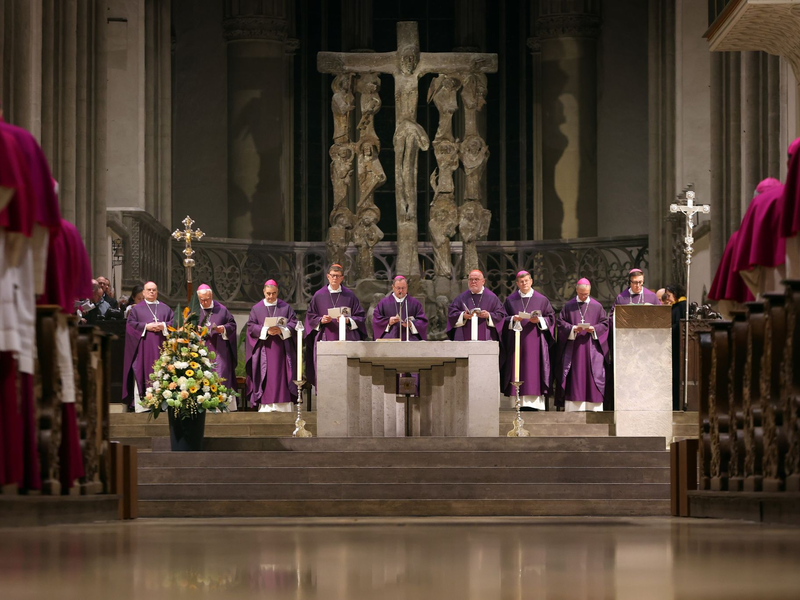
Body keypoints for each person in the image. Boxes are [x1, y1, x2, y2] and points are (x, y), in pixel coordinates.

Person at [304, 264, 366, 388]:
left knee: (346, 375)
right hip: (325, 337)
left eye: (337, 276)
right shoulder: (319, 295)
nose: (334, 278)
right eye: (332, 275)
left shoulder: (349, 295)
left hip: (346, 338)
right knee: (327, 372)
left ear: (342, 278)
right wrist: (321, 320)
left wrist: (348, 320)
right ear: (328, 276)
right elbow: (310, 316)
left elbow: (360, 317)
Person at [501, 270, 555, 411]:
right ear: (517, 283)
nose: (524, 283)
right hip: (517, 343)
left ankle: (534, 403)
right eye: (521, 281)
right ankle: (518, 403)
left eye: (526, 281)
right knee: (518, 369)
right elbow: (502, 318)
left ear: (531, 281)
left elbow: (551, 318)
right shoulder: (510, 300)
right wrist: (513, 319)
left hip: (535, 342)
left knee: (534, 370)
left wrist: (540, 320)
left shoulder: (542, 300)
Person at [555, 279, 610, 412]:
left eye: (586, 294)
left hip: (592, 349)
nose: (584, 296)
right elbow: (560, 323)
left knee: (593, 375)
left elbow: (605, 324)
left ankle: (594, 407)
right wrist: (573, 329)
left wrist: (594, 329)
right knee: (575, 376)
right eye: (581, 294)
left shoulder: (597, 306)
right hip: (574, 350)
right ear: (577, 291)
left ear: (590, 291)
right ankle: (574, 408)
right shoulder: (569, 306)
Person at [245, 280, 298, 412]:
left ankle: (283, 407)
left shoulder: (285, 308)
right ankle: (266, 407)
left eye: (273, 293)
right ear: (264, 292)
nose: (270, 296)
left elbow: (294, 323)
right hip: (265, 350)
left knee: (282, 376)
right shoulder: (257, 309)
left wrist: (281, 330)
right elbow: (251, 326)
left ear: (277, 292)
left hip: (282, 350)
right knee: (267, 376)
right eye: (268, 293)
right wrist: (266, 331)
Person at [121, 281, 173, 412]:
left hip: (162, 349)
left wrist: (163, 326)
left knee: (163, 373)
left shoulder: (165, 308)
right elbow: (130, 325)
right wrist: (146, 326)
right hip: (144, 350)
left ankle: (164, 403)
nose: (151, 292)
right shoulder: (136, 309)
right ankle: (144, 405)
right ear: (143, 292)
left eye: (154, 290)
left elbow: (174, 322)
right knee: (143, 371)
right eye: (149, 290)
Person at [197, 284, 239, 411]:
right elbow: (186, 328)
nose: (204, 302)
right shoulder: (194, 310)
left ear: (212, 296)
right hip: (201, 351)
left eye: (207, 299)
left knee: (222, 374)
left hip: (220, 350)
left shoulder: (222, 309)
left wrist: (223, 329)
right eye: (202, 300)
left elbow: (232, 325)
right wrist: (195, 330)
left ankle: (223, 406)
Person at [446, 269, 506, 342]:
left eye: (476, 279)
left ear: (483, 281)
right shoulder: (461, 298)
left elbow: (501, 316)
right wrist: (463, 315)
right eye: (471, 279)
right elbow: (451, 314)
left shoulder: (492, 298)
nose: (473, 282)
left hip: (487, 339)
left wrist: (488, 315)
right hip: (465, 339)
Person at [372, 275, 428, 340]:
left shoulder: (414, 303)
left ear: (407, 287)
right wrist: (388, 322)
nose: (401, 291)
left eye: (403, 288)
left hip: (409, 339)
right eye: (398, 288)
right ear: (393, 287)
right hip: (390, 339)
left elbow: (423, 321)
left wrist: (411, 324)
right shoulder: (383, 303)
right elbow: (376, 320)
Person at [665, 283, 687, 411]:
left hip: (678, 346)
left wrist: (666, 328)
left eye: (668, 295)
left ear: (676, 293)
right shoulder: (676, 306)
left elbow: (680, 326)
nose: (667, 298)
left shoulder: (681, 306)